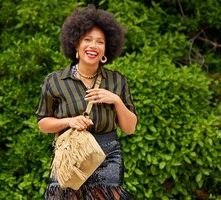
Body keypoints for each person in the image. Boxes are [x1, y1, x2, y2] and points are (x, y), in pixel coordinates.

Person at [35, 4, 137, 200]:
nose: (93, 46)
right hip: (70, 155)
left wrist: (115, 100)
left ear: (106, 49)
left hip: (107, 154)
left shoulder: (117, 81)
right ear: (76, 45)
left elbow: (130, 128)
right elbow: (43, 124)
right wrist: (69, 121)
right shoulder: (55, 81)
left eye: (100, 42)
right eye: (87, 39)